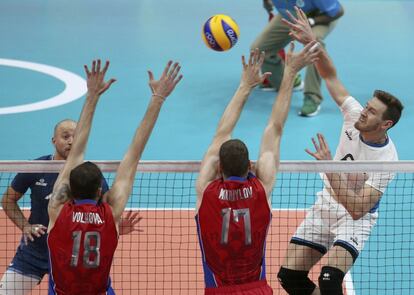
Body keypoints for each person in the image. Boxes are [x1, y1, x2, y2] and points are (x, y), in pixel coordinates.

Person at [277, 8, 404, 295]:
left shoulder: (387, 160)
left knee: (329, 281)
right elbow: (330, 75)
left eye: (370, 112)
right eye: (366, 106)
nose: (363, 113)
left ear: (385, 124)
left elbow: (358, 208)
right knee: (289, 276)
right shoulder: (353, 116)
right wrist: (314, 43)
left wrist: (330, 168)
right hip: (326, 207)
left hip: (354, 220)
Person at [46, 59, 182, 294]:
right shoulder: (111, 211)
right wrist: (157, 99)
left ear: (69, 190)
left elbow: (75, 152)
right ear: (101, 190)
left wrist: (92, 96)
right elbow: (133, 155)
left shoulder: (57, 209)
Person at [195, 45, 320, 294]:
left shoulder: (206, 192)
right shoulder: (261, 189)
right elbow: (275, 127)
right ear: (250, 165)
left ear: (218, 166)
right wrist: (290, 72)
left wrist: (245, 86)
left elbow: (222, 133)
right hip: (258, 289)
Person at [0, 119, 110, 294]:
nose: (71, 141)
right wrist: (25, 226)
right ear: (53, 141)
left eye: (75, 136)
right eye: (65, 136)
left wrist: (114, 225)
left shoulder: (88, 174)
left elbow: (105, 207)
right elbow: (7, 200)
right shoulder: (36, 168)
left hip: (69, 259)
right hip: (34, 253)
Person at [251, 0, 344, 117]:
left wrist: (311, 22)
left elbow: (338, 11)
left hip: (319, 16)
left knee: (313, 44)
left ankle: (312, 96)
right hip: (289, 15)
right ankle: (286, 81)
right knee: (260, 48)